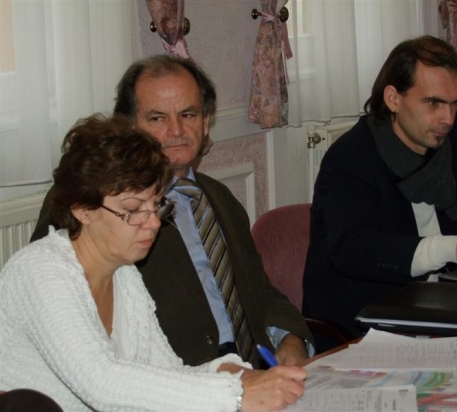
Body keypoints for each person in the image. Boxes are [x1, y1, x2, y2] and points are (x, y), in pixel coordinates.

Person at [0, 115, 306, 411]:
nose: (154, 223)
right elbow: (102, 383)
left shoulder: (124, 274)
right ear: (82, 209)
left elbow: (167, 372)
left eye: (157, 205)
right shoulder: (41, 270)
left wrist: (235, 374)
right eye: (134, 209)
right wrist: (234, 395)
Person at [30, 54, 313, 367]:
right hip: (173, 376)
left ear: (205, 122)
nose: (177, 130)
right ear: (128, 126)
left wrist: (289, 337)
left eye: (188, 114)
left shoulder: (220, 199)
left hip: (256, 369)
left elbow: (257, 289)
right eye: (157, 118)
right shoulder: (92, 203)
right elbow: (64, 312)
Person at [302, 35, 457, 351]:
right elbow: (354, 249)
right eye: (433, 103)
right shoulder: (351, 159)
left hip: (452, 312)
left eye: (455, 103)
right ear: (393, 98)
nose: (448, 119)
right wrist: (455, 248)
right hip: (371, 327)